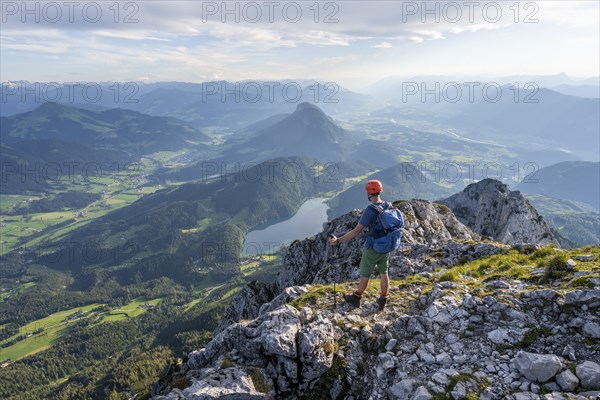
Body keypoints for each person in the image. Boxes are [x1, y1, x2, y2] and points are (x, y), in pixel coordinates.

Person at [329, 179, 391, 310]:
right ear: (380, 191)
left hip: (373, 247)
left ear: (369, 193)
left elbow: (356, 231)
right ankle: (383, 299)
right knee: (384, 272)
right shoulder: (387, 205)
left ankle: (356, 298)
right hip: (386, 245)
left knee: (365, 274)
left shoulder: (371, 210)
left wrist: (338, 240)